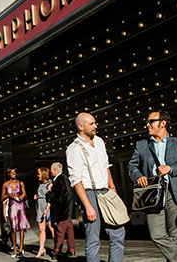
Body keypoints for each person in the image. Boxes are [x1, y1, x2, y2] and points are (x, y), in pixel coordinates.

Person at [128, 111, 177, 262]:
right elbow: (132, 166)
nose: (147, 125)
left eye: (150, 121)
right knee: (156, 234)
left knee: (175, 236)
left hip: (174, 192)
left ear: (163, 123)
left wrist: (171, 168)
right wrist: (138, 176)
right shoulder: (141, 145)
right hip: (152, 194)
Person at [66, 112, 125, 262]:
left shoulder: (99, 141)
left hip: (106, 191)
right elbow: (76, 180)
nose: (95, 126)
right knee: (93, 237)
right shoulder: (74, 149)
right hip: (89, 194)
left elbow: (106, 166)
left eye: (95, 123)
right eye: (91, 124)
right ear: (80, 126)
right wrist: (87, 205)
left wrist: (113, 188)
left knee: (118, 232)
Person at [46, 162, 76, 259]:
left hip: (63, 210)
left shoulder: (59, 180)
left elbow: (57, 196)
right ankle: (71, 250)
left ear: (55, 170)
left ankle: (56, 250)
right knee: (69, 230)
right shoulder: (63, 178)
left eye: (51, 169)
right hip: (67, 209)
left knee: (60, 230)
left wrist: (49, 192)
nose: (50, 171)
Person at [0, 167, 30, 258]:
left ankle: (21, 249)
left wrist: (22, 195)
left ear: (16, 173)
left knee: (22, 228)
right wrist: (7, 195)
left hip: (21, 206)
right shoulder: (5, 184)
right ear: (8, 174)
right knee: (13, 228)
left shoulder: (20, 183)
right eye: (11, 172)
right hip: (12, 208)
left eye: (14, 172)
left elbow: (25, 194)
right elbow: (1, 198)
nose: (13, 173)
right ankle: (14, 249)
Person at [33, 167, 55, 258]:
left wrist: (46, 209)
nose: (38, 175)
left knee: (51, 227)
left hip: (47, 206)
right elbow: (40, 194)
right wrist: (37, 196)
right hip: (40, 206)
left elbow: (51, 198)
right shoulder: (40, 184)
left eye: (39, 174)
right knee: (41, 229)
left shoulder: (49, 184)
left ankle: (56, 247)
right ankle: (41, 249)